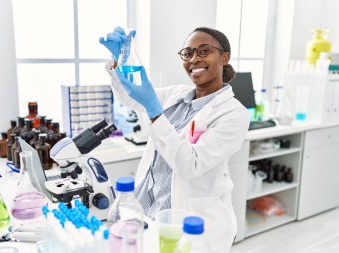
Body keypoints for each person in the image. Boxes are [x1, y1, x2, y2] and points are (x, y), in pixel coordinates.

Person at [100, 26, 250, 252]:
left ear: (224, 57)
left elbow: (190, 164)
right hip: (151, 211)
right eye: (188, 53)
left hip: (193, 224)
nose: (194, 59)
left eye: (204, 51)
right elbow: (132, 98)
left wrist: (153, 109)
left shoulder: (234, 114)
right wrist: (118, 60)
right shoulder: (176, 94)